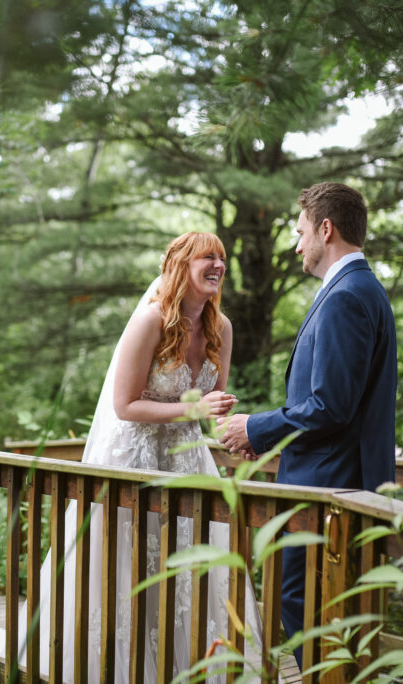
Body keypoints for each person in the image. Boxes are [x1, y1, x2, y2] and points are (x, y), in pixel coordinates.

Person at [20, 231, 263, 683]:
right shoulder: (151, 321)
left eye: (222, 258)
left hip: (188, 464)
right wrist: (194, 408)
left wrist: (233, 426)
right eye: (207, 257)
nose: (218, 265)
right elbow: (124, 405)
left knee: (191, 569)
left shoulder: (221, 328)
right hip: (134, 461)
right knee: (126, 567)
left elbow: (209, 402)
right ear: (180, 265)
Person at [218, 181, 398, 667]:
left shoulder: (345, 297)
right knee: (333, 614)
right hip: (337, 478)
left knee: (303, 605)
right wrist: (274, 440)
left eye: (300, 233)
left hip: (329, 489)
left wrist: (255, 428)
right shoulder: (362, 289)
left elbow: (330, 406)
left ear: (326, 228)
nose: (297, 245)